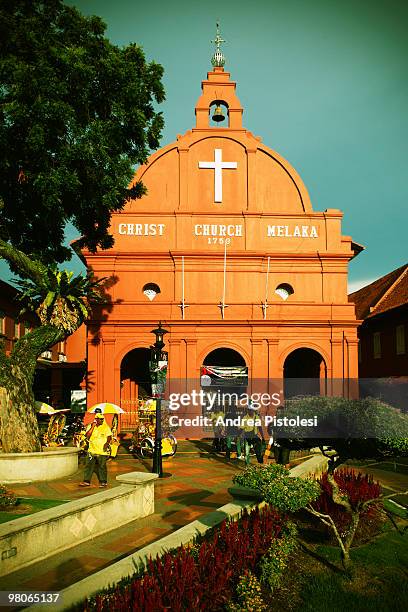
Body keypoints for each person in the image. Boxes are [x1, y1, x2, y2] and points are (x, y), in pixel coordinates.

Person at [79, 410, 112, 488]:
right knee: (88, 466)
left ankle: (103, 482)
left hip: (102, 451)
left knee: (102, 466)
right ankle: (86, 481)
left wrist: (106, 444)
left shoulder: (106, 427)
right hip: (91, 450)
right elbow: (87, 436)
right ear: (96, 419)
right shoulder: (91, 426)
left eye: (102, 419)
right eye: (99, 419)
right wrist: (93, 427)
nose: (101, 420)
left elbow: (109, 436)